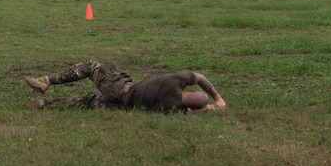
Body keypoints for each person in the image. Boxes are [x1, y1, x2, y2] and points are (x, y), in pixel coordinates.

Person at [25, 62, 226, 113]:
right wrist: (212, 107)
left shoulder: (175, 83)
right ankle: (44, 104)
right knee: (85, 102)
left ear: (189, 91)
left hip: (123, 90)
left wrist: (217, 97)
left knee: (91, 66)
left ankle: (47, 81)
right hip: (126, 107)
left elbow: (199, 77)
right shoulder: (175, 109)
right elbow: (194, 110)